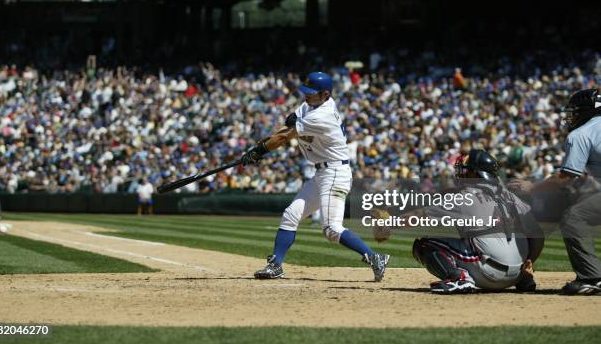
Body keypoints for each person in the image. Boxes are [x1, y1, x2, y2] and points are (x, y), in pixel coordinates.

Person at [243, 72, 390, 281]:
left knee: (331, 229)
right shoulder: (310, 106)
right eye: (306, 92)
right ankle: (275, 265)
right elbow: (287, 125)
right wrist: (258, 147)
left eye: (311, 94)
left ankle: (375, 258)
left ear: (326, 94)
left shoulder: (323, 115)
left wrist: (259, 151)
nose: (306, 96)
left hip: (336, 173)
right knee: (291, 215)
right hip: (322, 172)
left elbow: (286, 135)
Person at [412, 150, 544, 294]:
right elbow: (538, 234)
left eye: (466, 170)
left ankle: (459, 278)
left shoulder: (464, 197)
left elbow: (418, 216)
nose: (462, 173)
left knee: (424, 245)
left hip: (488, 274)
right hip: (518, 274)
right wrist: (529, 261)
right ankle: (526, 279)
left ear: (475, 174)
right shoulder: (511, 197)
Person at [510, 88, 601, 295]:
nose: (572, 116)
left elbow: (566, 176)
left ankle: (592, 278)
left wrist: (532, 187)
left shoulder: (581, 133)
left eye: (576, 111)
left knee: (574, 217)